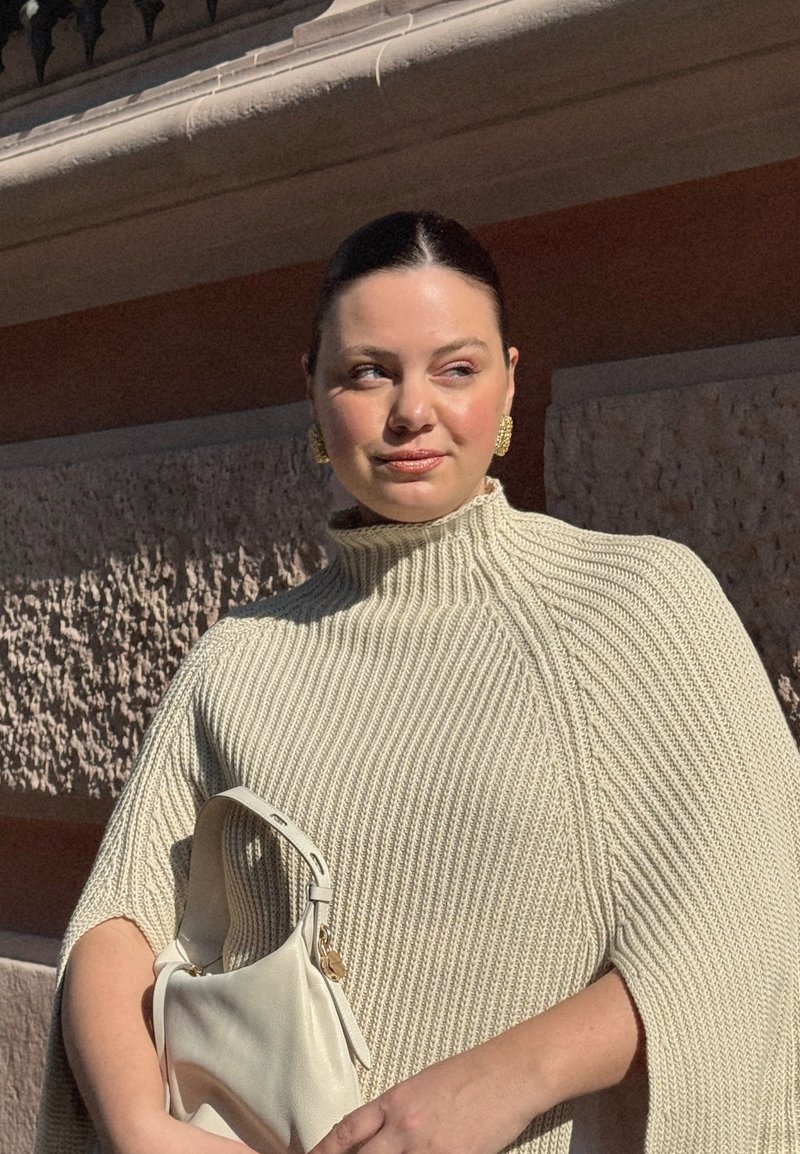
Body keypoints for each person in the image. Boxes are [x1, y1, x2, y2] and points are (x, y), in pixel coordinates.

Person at [36, 211, 800, 1154]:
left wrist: (503, 1082)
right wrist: (139, 1128)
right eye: (367, 371)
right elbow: (116, 923)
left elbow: (753, 917)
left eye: (456, 368)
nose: (410, 411)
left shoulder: (638, 605)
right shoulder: (239, 656)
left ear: (511, 380)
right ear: (312, 394)